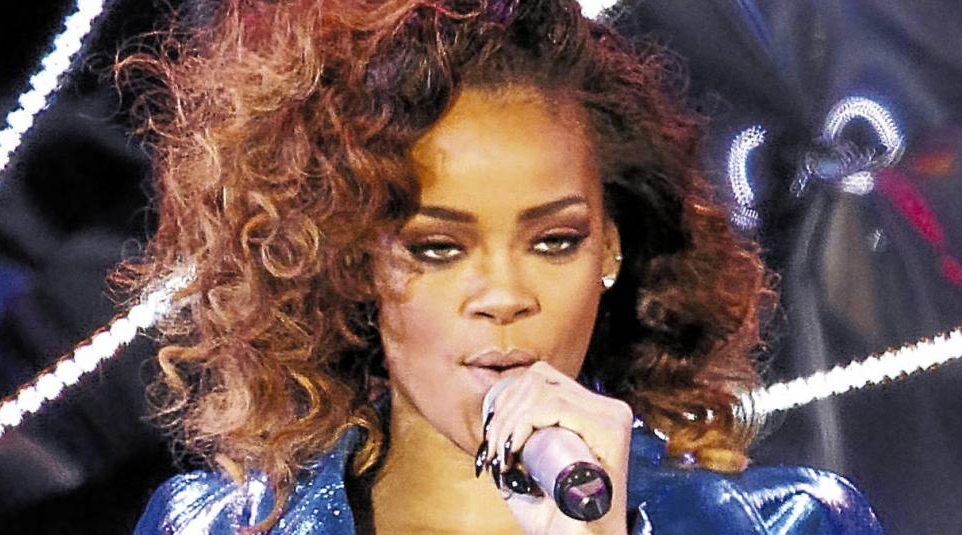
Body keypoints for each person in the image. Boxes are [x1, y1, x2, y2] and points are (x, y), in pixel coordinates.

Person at [120, 0, 885, 532]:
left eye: (554, 241)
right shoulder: (210, 527)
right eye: (438, 248)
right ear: (353, 261)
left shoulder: (793, 524)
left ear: (610, 249)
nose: (504, 295)